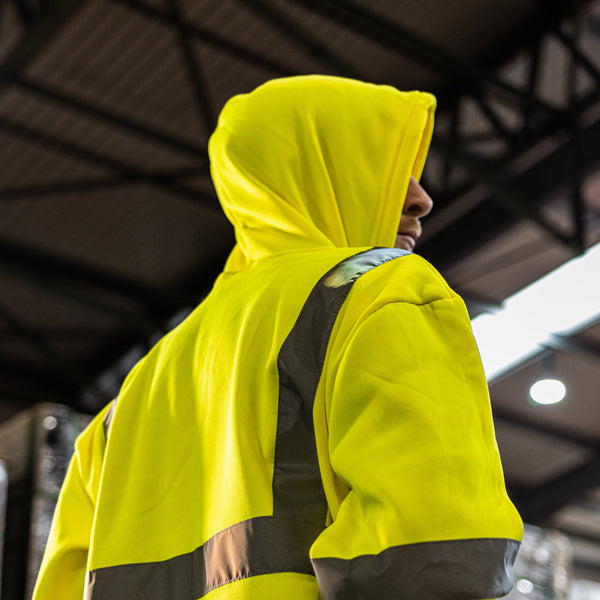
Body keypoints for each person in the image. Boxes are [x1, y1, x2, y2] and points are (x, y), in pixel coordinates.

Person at [32, 75, 522, 600]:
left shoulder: (124, 410)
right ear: (310, 174)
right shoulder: (380, 292)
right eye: (383, 164)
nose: (421, 199)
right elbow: (436, 562)